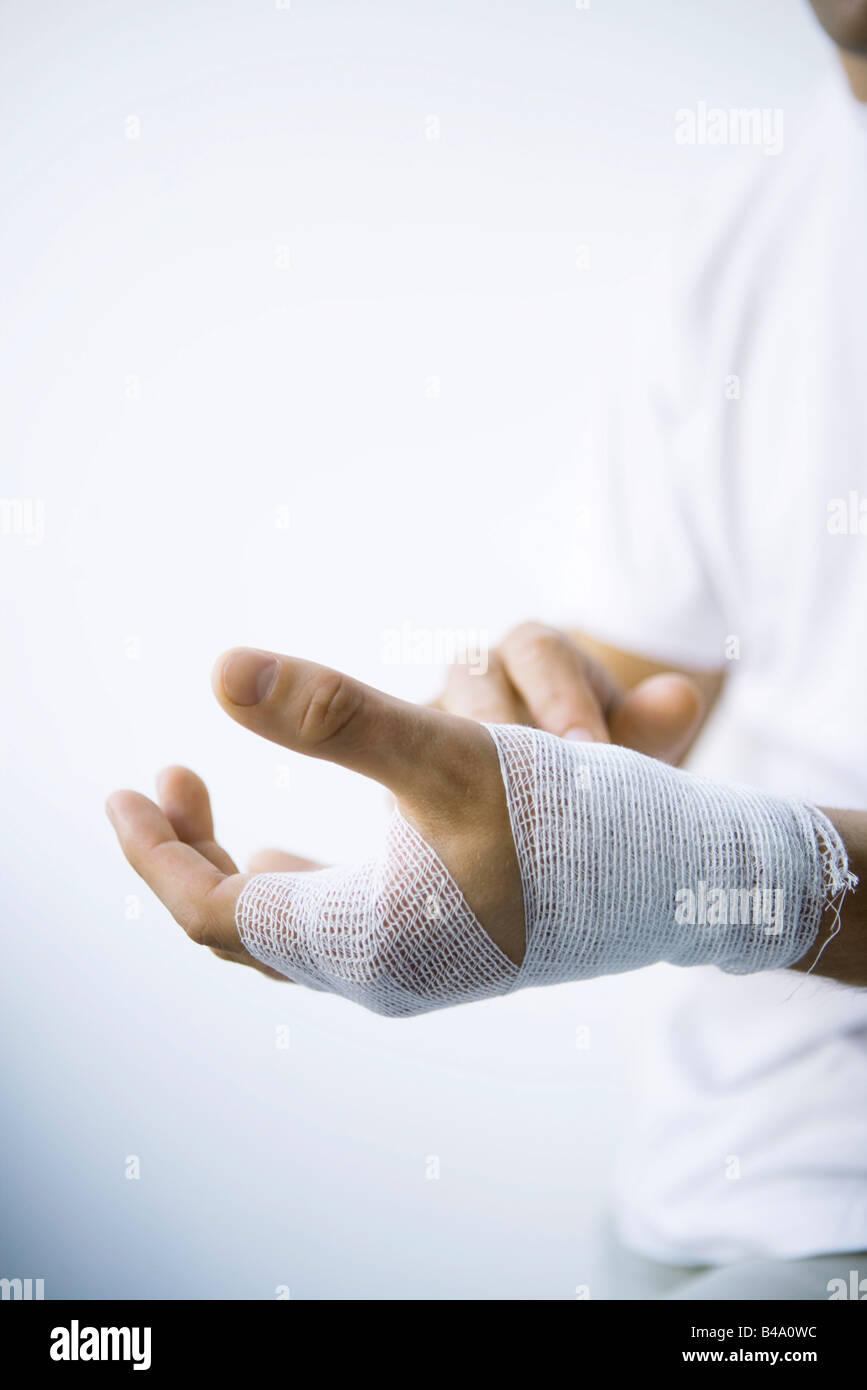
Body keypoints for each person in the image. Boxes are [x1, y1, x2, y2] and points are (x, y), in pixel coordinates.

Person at [106, 1, 867, 1298]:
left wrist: (708, 872)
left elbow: (676, 855)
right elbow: (654, 669)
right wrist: (521, 741)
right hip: (681, 1189)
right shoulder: (760, 210)